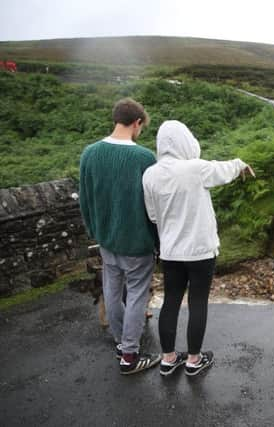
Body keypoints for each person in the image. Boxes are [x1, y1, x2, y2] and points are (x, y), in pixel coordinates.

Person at [142, 120, 255, 377]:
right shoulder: (195, 168)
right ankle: (194, 360)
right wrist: (240, 164)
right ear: (185, 140)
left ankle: (168, 359)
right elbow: (223, 169)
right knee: (197, 301)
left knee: (171, 300)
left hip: (170, 251)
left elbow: (152, 216)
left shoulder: (150, 174)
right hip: (200, 251)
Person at [79, 98, 161, 375]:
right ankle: (129, 355)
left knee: (112, 291)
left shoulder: (89, 153)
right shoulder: (144, 158)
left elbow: (85, 201)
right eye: (141, 126)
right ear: (137, 122)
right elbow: (153, 206)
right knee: (137, 295)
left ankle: (120, 342)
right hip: (137, 242)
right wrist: (157, 241)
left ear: (116, 119)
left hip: (106, 240)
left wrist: (96, 231)